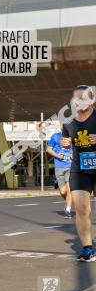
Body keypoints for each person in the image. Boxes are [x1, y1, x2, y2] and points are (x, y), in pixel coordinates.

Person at [60, 85, 96, 262]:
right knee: (81, 208)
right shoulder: (68, 122)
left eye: (83, 98)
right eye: (76, 98)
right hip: (79, 169)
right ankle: (88, 249)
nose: (79, 101)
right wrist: (65, 143)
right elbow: (65, 140)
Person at [47, 125, 74, 218]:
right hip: (59, 167)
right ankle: (68, 202)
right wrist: (57, 155)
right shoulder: (55, 136)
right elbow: (48, 149)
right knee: (63, 192)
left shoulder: (74, 136)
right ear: (61, 126)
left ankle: (68, 210)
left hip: (71, 166)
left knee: (70, 189)